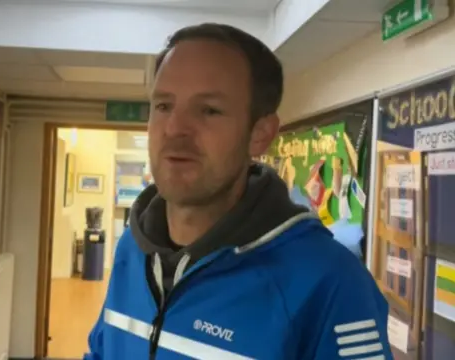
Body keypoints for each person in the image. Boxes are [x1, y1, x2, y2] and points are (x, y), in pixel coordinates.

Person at [84, 23, 393, 360]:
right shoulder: (133, 248)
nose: (175, 128)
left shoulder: (331, 282)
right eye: (163, 106)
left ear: (260, 134)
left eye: (209, 110)